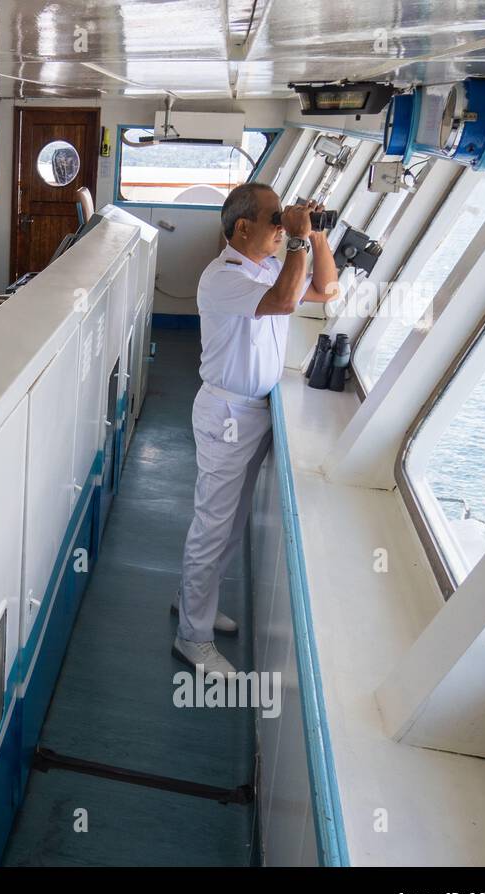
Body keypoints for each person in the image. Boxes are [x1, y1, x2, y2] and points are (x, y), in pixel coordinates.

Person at [173, 183, 338, 676]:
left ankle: (192, 603)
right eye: (275, 220)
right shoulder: (223, 277)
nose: (283, 227)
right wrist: (299, 242)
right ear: (242, 227)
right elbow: (287, 303)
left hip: (254, 409)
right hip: (228, 414)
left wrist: (319, 233)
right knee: (213, 525)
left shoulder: (264, 267)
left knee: (230, 521)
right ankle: (192, 636)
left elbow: (326, 290)